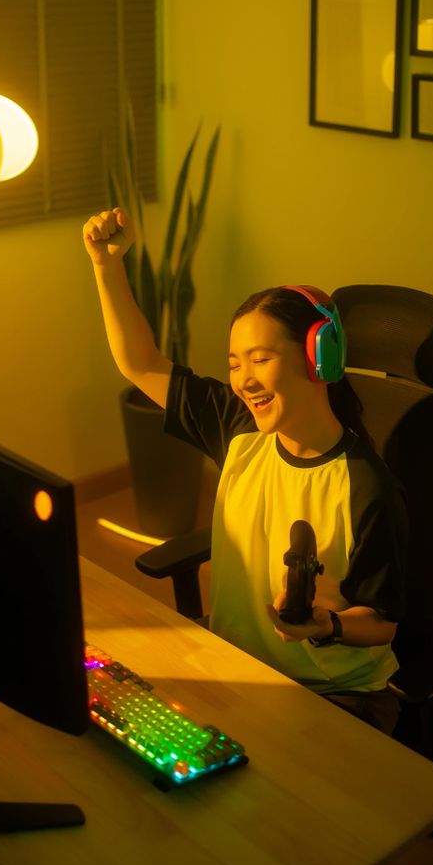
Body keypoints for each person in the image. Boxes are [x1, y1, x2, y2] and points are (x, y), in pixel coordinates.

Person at [83, 206, 408, 734]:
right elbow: (140, 362)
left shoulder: (365, 485)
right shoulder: (239, 431)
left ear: (319, 358)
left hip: (334, 696)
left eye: (260, 359)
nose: (243, 380)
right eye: (234, 363)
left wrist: (322, 624)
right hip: (239, 670)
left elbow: (383, 623)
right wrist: (106, 266)